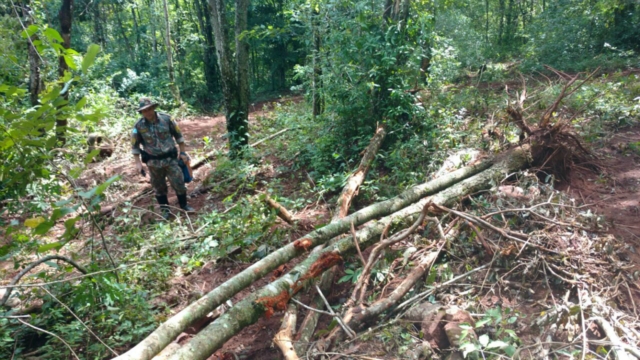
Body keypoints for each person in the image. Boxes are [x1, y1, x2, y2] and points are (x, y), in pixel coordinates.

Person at [131, 98, 194, 219]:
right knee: (159, 188)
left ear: (153, 108)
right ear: (141, 112)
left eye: (149, 109)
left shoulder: (167, 119)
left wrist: (183, 153)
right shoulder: (138, 126)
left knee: (179, 183)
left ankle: (184, 205)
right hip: (153, 163)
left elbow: (179, 136)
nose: (148, 112)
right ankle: (166, 212)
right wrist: (138, 163)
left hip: (171, 160)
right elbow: (135, 146)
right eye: (144, 111)